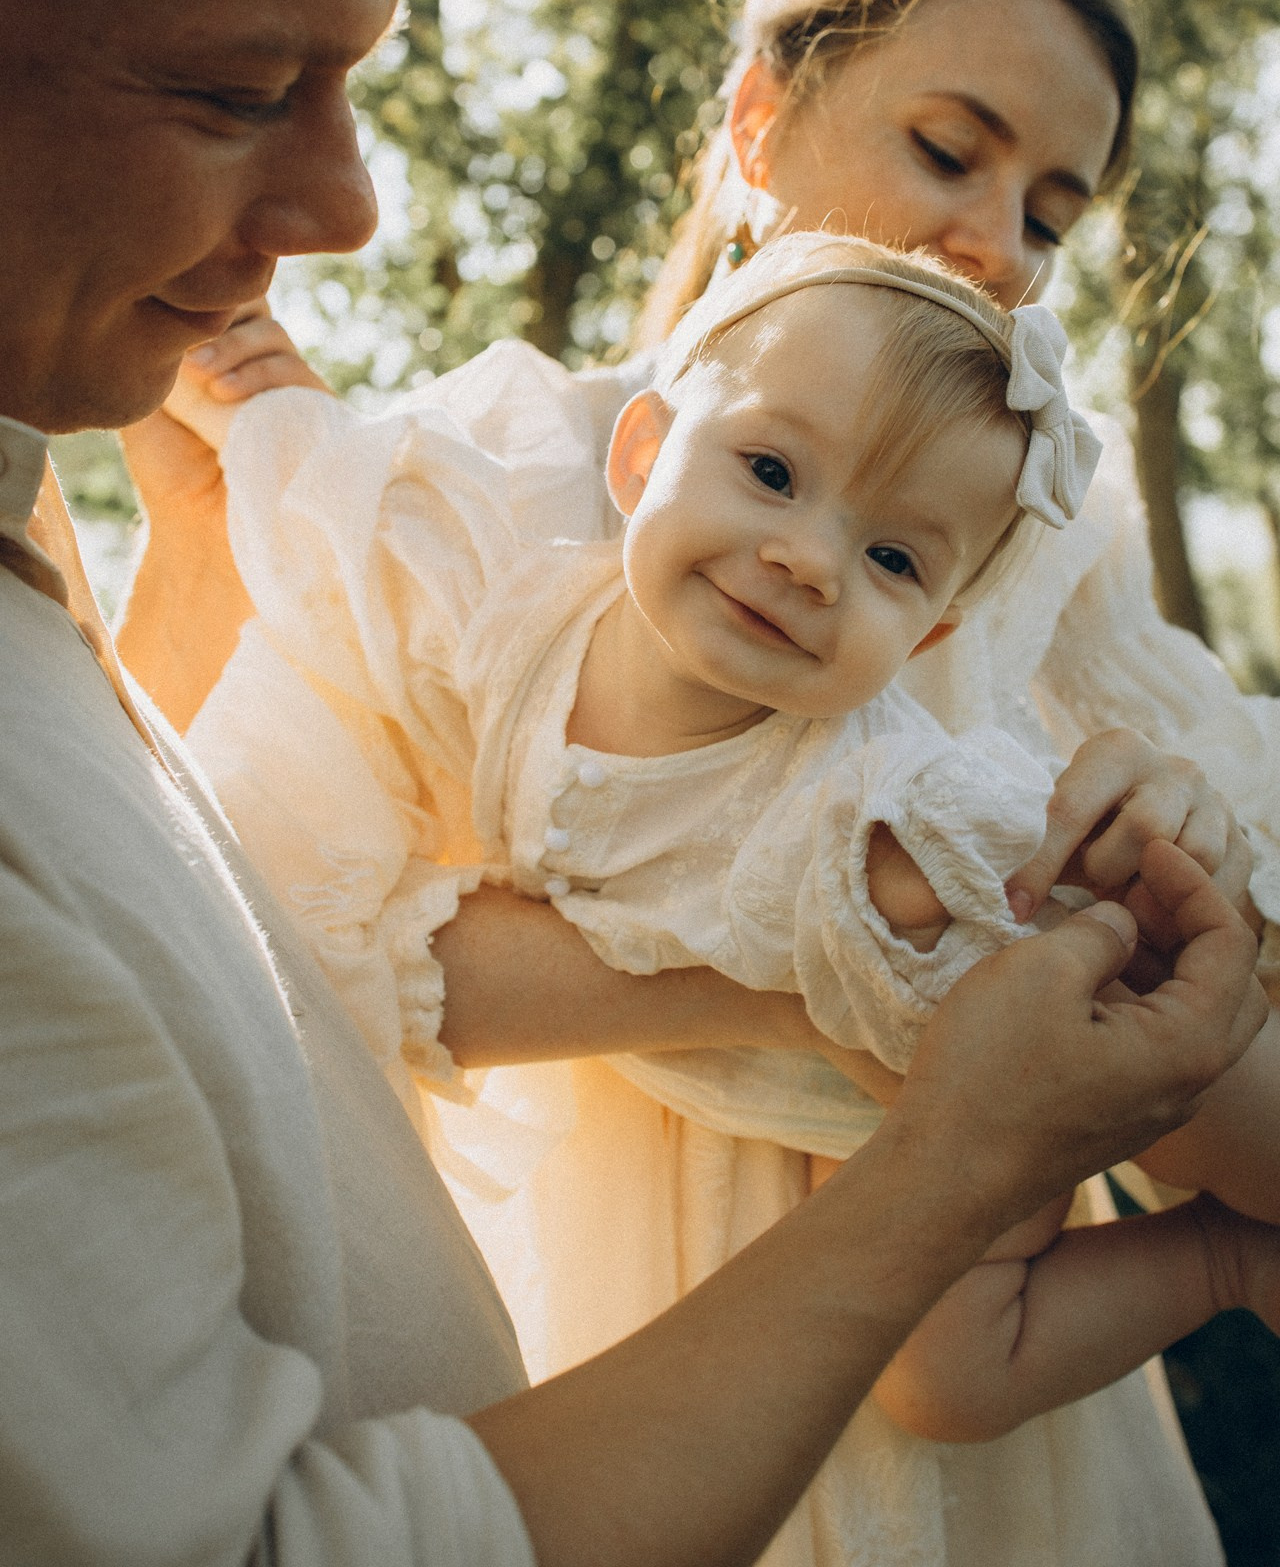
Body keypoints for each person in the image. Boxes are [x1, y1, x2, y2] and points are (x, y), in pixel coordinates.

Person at [3, 0, 1267, 1565]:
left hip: (958, 1330)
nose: (989, 243)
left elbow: (1191, 906)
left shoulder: (1021, 560)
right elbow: (285, 933)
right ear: (762, 116)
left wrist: (1165, 842)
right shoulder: (493, 485)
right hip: (635, 1331)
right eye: (949, 148)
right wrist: (844, 947)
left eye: (1052, 210)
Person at [172, 217, 1280, 1462]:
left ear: (920, 639)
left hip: (1080, 1036)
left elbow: (1042, 866)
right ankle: (1227, 1261)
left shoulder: (886, 800)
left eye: (892, 556)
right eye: (769, 472)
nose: (808, 558)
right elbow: (352, 510)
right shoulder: (511, 621)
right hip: (899, 1133)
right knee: (946, 1385)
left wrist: (1027, 891)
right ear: (641, 455)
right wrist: (240, 409)